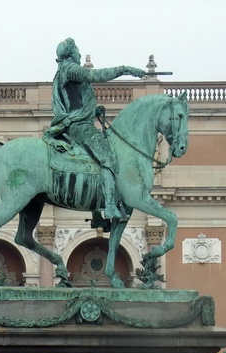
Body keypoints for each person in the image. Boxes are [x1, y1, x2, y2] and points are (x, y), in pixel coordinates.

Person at [44, 38, 146, 222]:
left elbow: (75, 101)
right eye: (77, 51)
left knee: (94, 161)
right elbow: (95, 76)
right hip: (80, 126)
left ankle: (96, 211)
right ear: (70, 53)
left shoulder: (62, 72)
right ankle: (109, 207)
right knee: (108, 158)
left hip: (77, 123)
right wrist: (124, 69)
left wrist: (92, 110)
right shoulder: (70, 69)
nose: (80, 54)